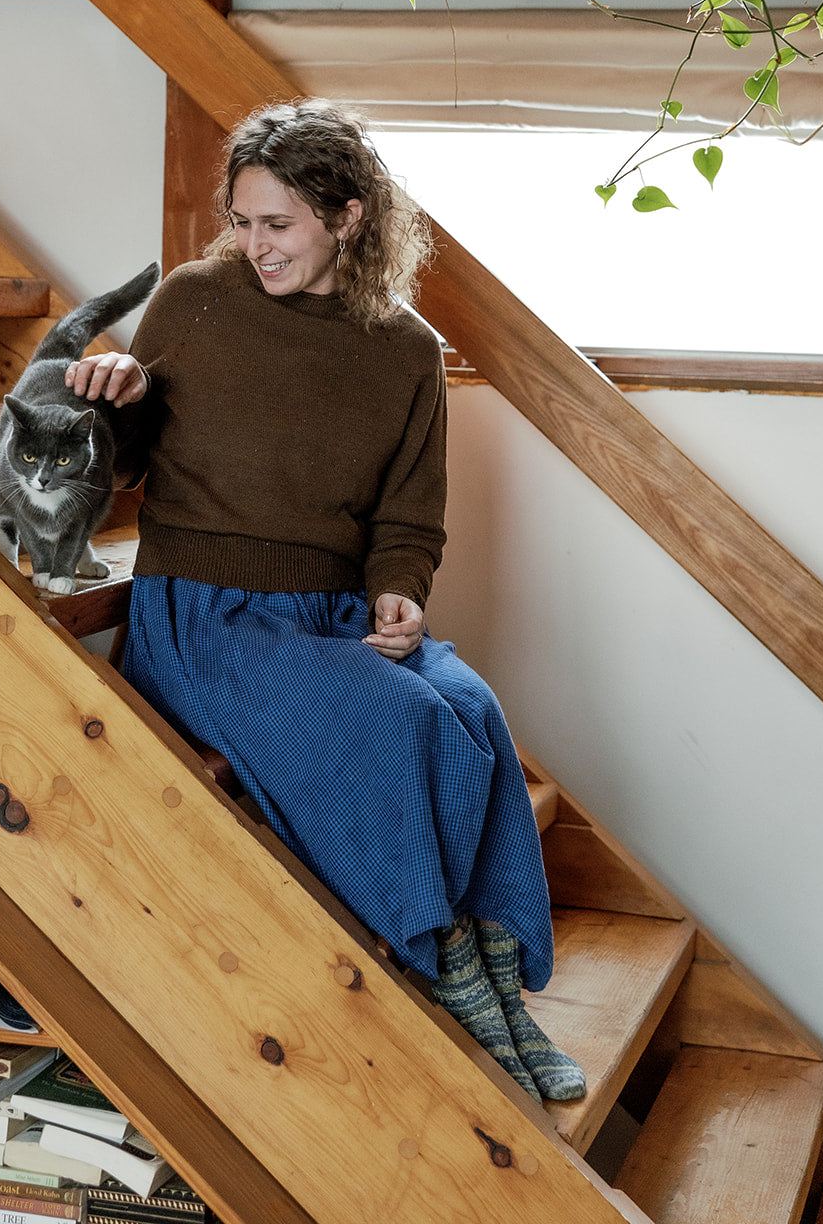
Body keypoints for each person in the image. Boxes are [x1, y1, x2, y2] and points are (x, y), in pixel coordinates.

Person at [65, 99, 585, 1105]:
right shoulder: (194, 300)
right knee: (407, 723)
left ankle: (490, 973)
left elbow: (408, 516)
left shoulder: (404, 348)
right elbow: (122, 469)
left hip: (331, 617)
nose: (254, 246)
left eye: (278, 224)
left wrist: (397, 595)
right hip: (206, 618)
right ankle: (448, 967)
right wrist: (112, 398)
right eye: (242, 222)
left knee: (471, 708)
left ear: (348, 217)